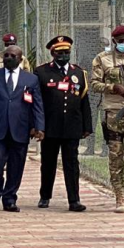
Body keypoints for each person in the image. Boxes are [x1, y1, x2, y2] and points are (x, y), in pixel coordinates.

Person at [0, 46, 45, 212]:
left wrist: (39, 127)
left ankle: (10, 198)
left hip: (20, 128)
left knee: (16, 164)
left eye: (12, 56)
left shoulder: (31, 79)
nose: (8, 58)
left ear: (20, 59)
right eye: (6, 55)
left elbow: (37, 106)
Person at [34, 36, 91, 212]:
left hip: (72, 126)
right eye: (60, 52)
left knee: (72, 164)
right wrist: (38, 126)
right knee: (48, 163)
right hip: (50, 127)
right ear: (52, 53)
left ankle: (74, 200)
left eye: (66, 52)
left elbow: (84, 101)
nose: (63, 55)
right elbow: (37, 102)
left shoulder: (79, 73)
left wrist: (86, 126)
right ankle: (45, 195)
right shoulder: (42, 72)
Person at [90, 26, 124, 212]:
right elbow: (94, 84)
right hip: (113, 111)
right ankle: (119, 194)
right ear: (114, 42)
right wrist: (113, 87)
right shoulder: (101, 59)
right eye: (120, 41)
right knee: (116, 155)